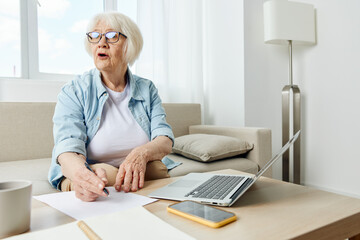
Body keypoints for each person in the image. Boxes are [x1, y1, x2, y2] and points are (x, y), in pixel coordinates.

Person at [48, 12, 174, 202]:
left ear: (129, 45)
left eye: (111, 36)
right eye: (95, 36)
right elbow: (67, 148)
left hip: (139, 168)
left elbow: (164, 138)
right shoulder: (74, 90)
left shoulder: (146, 88)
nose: (101, 43)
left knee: (156, 168)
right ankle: (80, 185)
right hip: (92, 167)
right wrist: (82, 177)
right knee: (103, 175)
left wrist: (141, 153)